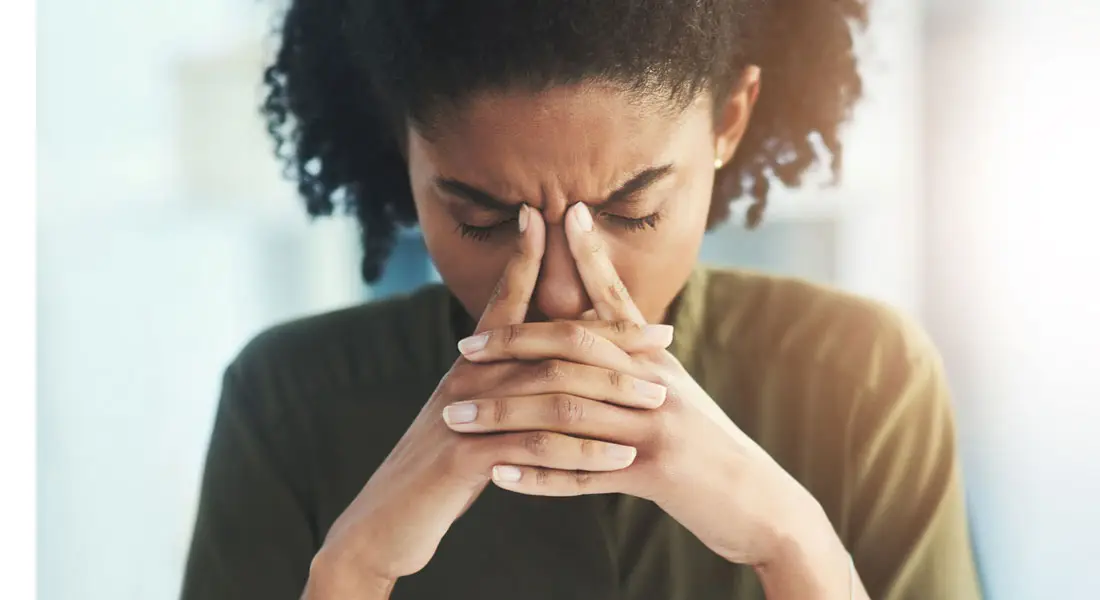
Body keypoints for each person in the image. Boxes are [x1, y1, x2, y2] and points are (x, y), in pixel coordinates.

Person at [181, 0, 983, 598]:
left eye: (632, 210)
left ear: (729, 122)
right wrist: (352, 569)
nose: (561, 294)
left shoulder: (864, 380)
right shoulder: (289, 402)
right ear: (404, 147)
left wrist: (794, 544)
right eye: (486, 220)